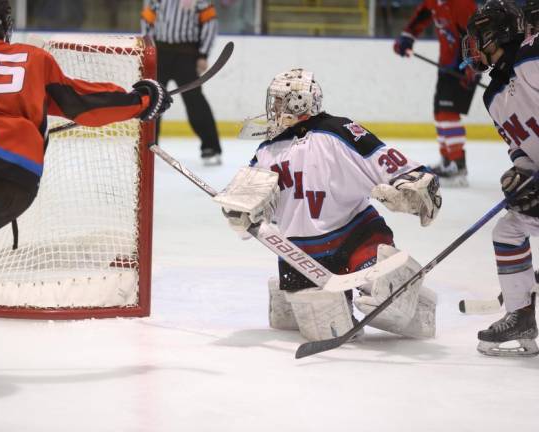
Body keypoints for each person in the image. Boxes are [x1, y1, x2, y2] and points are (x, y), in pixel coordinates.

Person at [0, 0, 172, 410]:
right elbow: (81, 104)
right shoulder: (33, 59)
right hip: (20, 187)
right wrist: (141, 100)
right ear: (6, 26)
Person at [215, 68, 441, 344]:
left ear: (298, 102)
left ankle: (414, 303)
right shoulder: (267, 149)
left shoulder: (338, 131)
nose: (272, 108)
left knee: (387, 293)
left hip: (356, 237)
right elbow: (249, 200)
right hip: (301, 254)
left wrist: (411, 186)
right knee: (325, 325)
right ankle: (300, 300)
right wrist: (240, 211)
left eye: (278, 101)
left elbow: (387, 161)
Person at [462, 0, 538, 357]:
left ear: (499, 34)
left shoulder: (530, 60)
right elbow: (520, 147)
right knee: (508, 230)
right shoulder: (493, 96)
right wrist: (520, 175)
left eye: (479, 38)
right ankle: (520, 314)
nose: (474, 47)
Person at [393, 0, 479, 187]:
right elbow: (422, 15)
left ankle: (458, 164)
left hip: (463, 68)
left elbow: (475, 35)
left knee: (448, 114)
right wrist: (407, 37)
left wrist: (471, 67)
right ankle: (448, 162)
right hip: (446, 66)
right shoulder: (434, 1)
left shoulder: (463, 4)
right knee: (440, 114)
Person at [141, 0, 223, 166]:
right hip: (160, 53)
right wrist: (146, 49)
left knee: (195, 100)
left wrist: (203, 54)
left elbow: (210, 24)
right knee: (152, 99)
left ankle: (211, 147)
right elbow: (147, 20)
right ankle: (148, 144)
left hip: (186, 54)